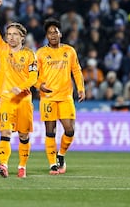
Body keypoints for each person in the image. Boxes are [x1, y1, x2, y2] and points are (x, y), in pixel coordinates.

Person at [0, 0, 38, 178]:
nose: (10, 37)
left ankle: (22, 166)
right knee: (5, 131)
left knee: (24, 135)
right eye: (8, 34)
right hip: (6, 98)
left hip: (24, 99)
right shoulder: (2, 49)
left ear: (22, 37)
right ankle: (3, 164)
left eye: (14, 34)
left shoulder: (30, 55)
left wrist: (22, 86)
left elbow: (34, 76)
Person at [35, 18, 85, 175]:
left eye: (55, 32)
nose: (53, 35)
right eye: (50, 33)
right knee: (50, 131)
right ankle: (52, 164)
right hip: (48, 98)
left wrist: (81, 88)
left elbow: (76, 70)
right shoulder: (41, 53)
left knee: (69, 130)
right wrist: (39, 85)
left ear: (60, 34)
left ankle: (61, 154)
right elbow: (32, 74)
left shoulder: (69, 51)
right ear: (46, 36)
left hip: (65, 97)